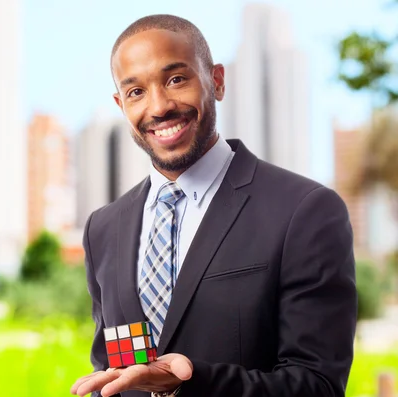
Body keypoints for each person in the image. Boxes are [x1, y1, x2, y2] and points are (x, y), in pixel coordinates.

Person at [70, 14, 357, 397]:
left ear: (216, 81)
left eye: (176, 79)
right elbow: (111, 374)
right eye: (136, 91)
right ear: (121, 104)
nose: (159, 106)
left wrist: (189, 382)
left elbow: (317, 386)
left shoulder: (305, 211)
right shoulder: (102, 229)